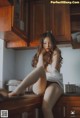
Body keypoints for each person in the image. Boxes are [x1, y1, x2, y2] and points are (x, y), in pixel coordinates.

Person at [1, 31, 64, 118]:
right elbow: (40, 69)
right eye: (45, 43)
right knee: (40, 69)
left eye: (50, 43)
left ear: (53, 43)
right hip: (42, 84)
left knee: (46, 108)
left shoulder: (56, 52)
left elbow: (53, 70)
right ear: (42, 44)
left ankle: (19, 90)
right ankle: (18, 90)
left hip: (54, 83)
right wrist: (41, 55)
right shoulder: (40, 55)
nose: (47, 45)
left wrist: (56, 53)